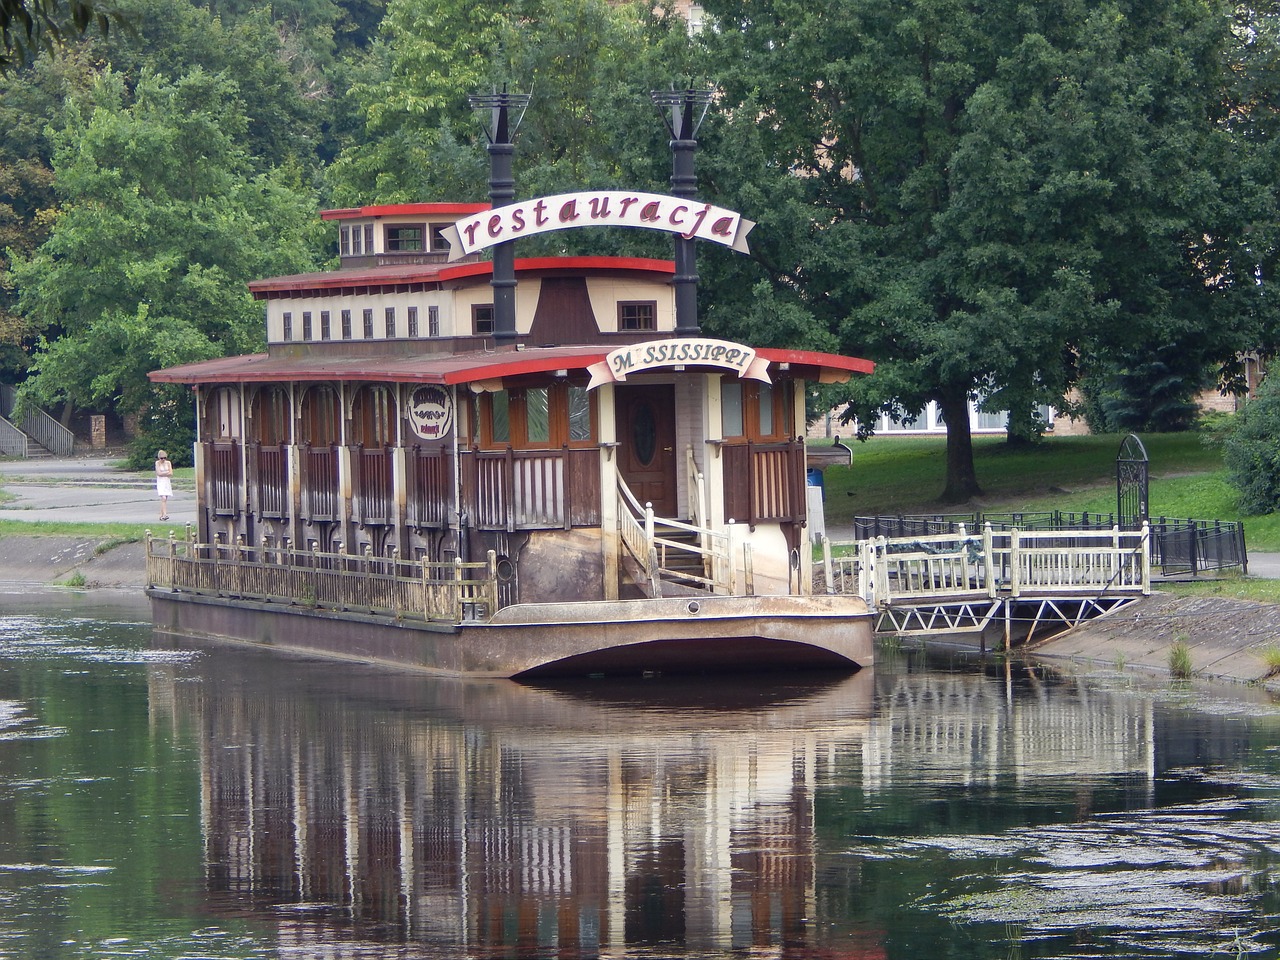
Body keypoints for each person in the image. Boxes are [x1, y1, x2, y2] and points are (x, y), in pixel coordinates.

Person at [155, 450, 174, 521]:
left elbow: (171, 473)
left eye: (164, 458)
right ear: (159, 458)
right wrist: (166, 473)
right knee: (163, 498)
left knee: (165, 498)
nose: (163, 460)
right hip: (160, 482)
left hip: (166, 481)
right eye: (161, 458)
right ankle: (165, 514)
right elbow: (158, 473)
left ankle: (162, 515)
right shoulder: (157, 463)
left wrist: (164, 473)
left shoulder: (168, 463)